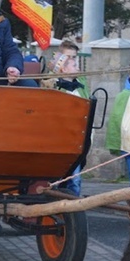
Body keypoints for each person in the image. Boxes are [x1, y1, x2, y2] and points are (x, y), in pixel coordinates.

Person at [44, 40, 90, 196]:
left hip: (77, 139)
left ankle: (73, 210)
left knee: (75, 178)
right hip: (59, 139)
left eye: (75, 58)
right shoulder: (51, 83)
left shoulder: (80, 83)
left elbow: (87, 105)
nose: (75, 62)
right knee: (57, 177)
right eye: (69, 59)